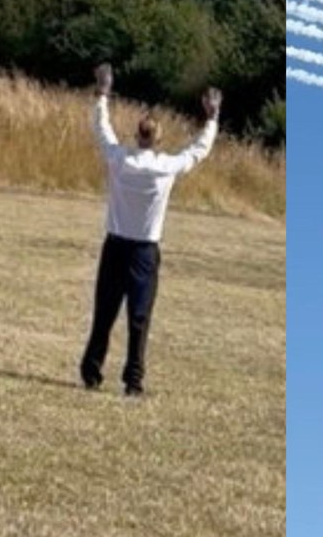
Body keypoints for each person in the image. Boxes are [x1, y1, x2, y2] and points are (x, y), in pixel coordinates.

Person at [79, 63, 222, 396]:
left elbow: (101, 128)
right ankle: (133, 380)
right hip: (144, 251)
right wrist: (212, 117)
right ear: (158, 139)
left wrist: (103, 92)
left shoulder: (120, 160)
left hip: (115, 245)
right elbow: (198, 151)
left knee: (104, 313)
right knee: (139, 318)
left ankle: (91, 371)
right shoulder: (165, 167)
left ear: (137, 135)